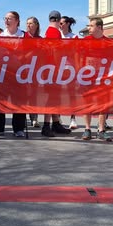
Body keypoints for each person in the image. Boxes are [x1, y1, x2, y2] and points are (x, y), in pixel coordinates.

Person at [0, 11, 27, 137]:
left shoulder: (24, 35)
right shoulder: (1, 35)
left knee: (18, 101)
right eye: (5, 18)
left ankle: (18, 128)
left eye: (9, 18)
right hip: (3, 71)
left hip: (19, 72)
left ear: (17, 21)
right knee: (0, 99)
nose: (6, 20)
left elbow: (30, 52)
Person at [81, 18, 113, 142]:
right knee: (87, 102)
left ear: (99, 27)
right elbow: (78, 56)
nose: (88, 28)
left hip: (103, 76)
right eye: (88, 25)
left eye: (91, 26)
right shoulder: (85, 41)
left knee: (103, 104)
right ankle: (87, 129)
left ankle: (101, 129)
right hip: (87, 76)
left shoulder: (108, 42)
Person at [40, 10, 71, 138]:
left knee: (55, 97)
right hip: (52, 69)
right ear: (58, 21)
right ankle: (46, 125)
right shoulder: (54, 32)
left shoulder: (48, 31)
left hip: (50, 68)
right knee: (51, 98)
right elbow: (55, 52)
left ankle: (56, 123)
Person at [60, 16, 80, 129]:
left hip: (70, 68)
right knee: (57, 94)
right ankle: (57, 118)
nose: (60, 25)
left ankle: (73, 119)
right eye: (59, 23)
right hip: (57, 69)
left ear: (67, 24)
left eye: (62, 23)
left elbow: (77, 53)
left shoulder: (74, 37)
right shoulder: (56, 36)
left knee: (71, 94)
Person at [24, 16, 42, 128]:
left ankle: (34, 117)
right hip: (23, 69)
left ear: (36, 25)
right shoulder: (23, 36)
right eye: (27, 23)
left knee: (33, 95)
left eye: (31, 23)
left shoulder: (40, 39)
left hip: (36, 70)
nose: (28, 25)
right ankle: (22, 118)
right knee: (24, 94)